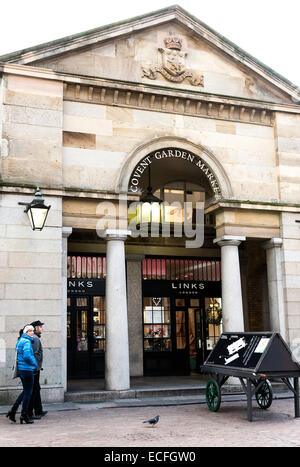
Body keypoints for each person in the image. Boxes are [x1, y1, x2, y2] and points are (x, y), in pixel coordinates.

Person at [6, 325, 37, 424]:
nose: (32, 332)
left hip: (22, 370)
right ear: (26, 332)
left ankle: (13, 411)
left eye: (33, 331)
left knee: (26, 391)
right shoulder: (27, 342)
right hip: (27, 370)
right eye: (30, 331)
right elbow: (27, 356)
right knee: (28, 392)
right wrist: (35, 363)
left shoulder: (20, 340)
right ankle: (24, 415)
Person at [28, 320, 48, 419]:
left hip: (35, 369)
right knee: (33, 390)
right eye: (40, 327)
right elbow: (34, 355)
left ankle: (38, 410)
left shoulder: (35, 338)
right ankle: (31, 412)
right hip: (34, 369)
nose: (42, 328)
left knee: (36, 389)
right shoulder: (35, 339)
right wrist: (35, 368)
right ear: (36, 329)